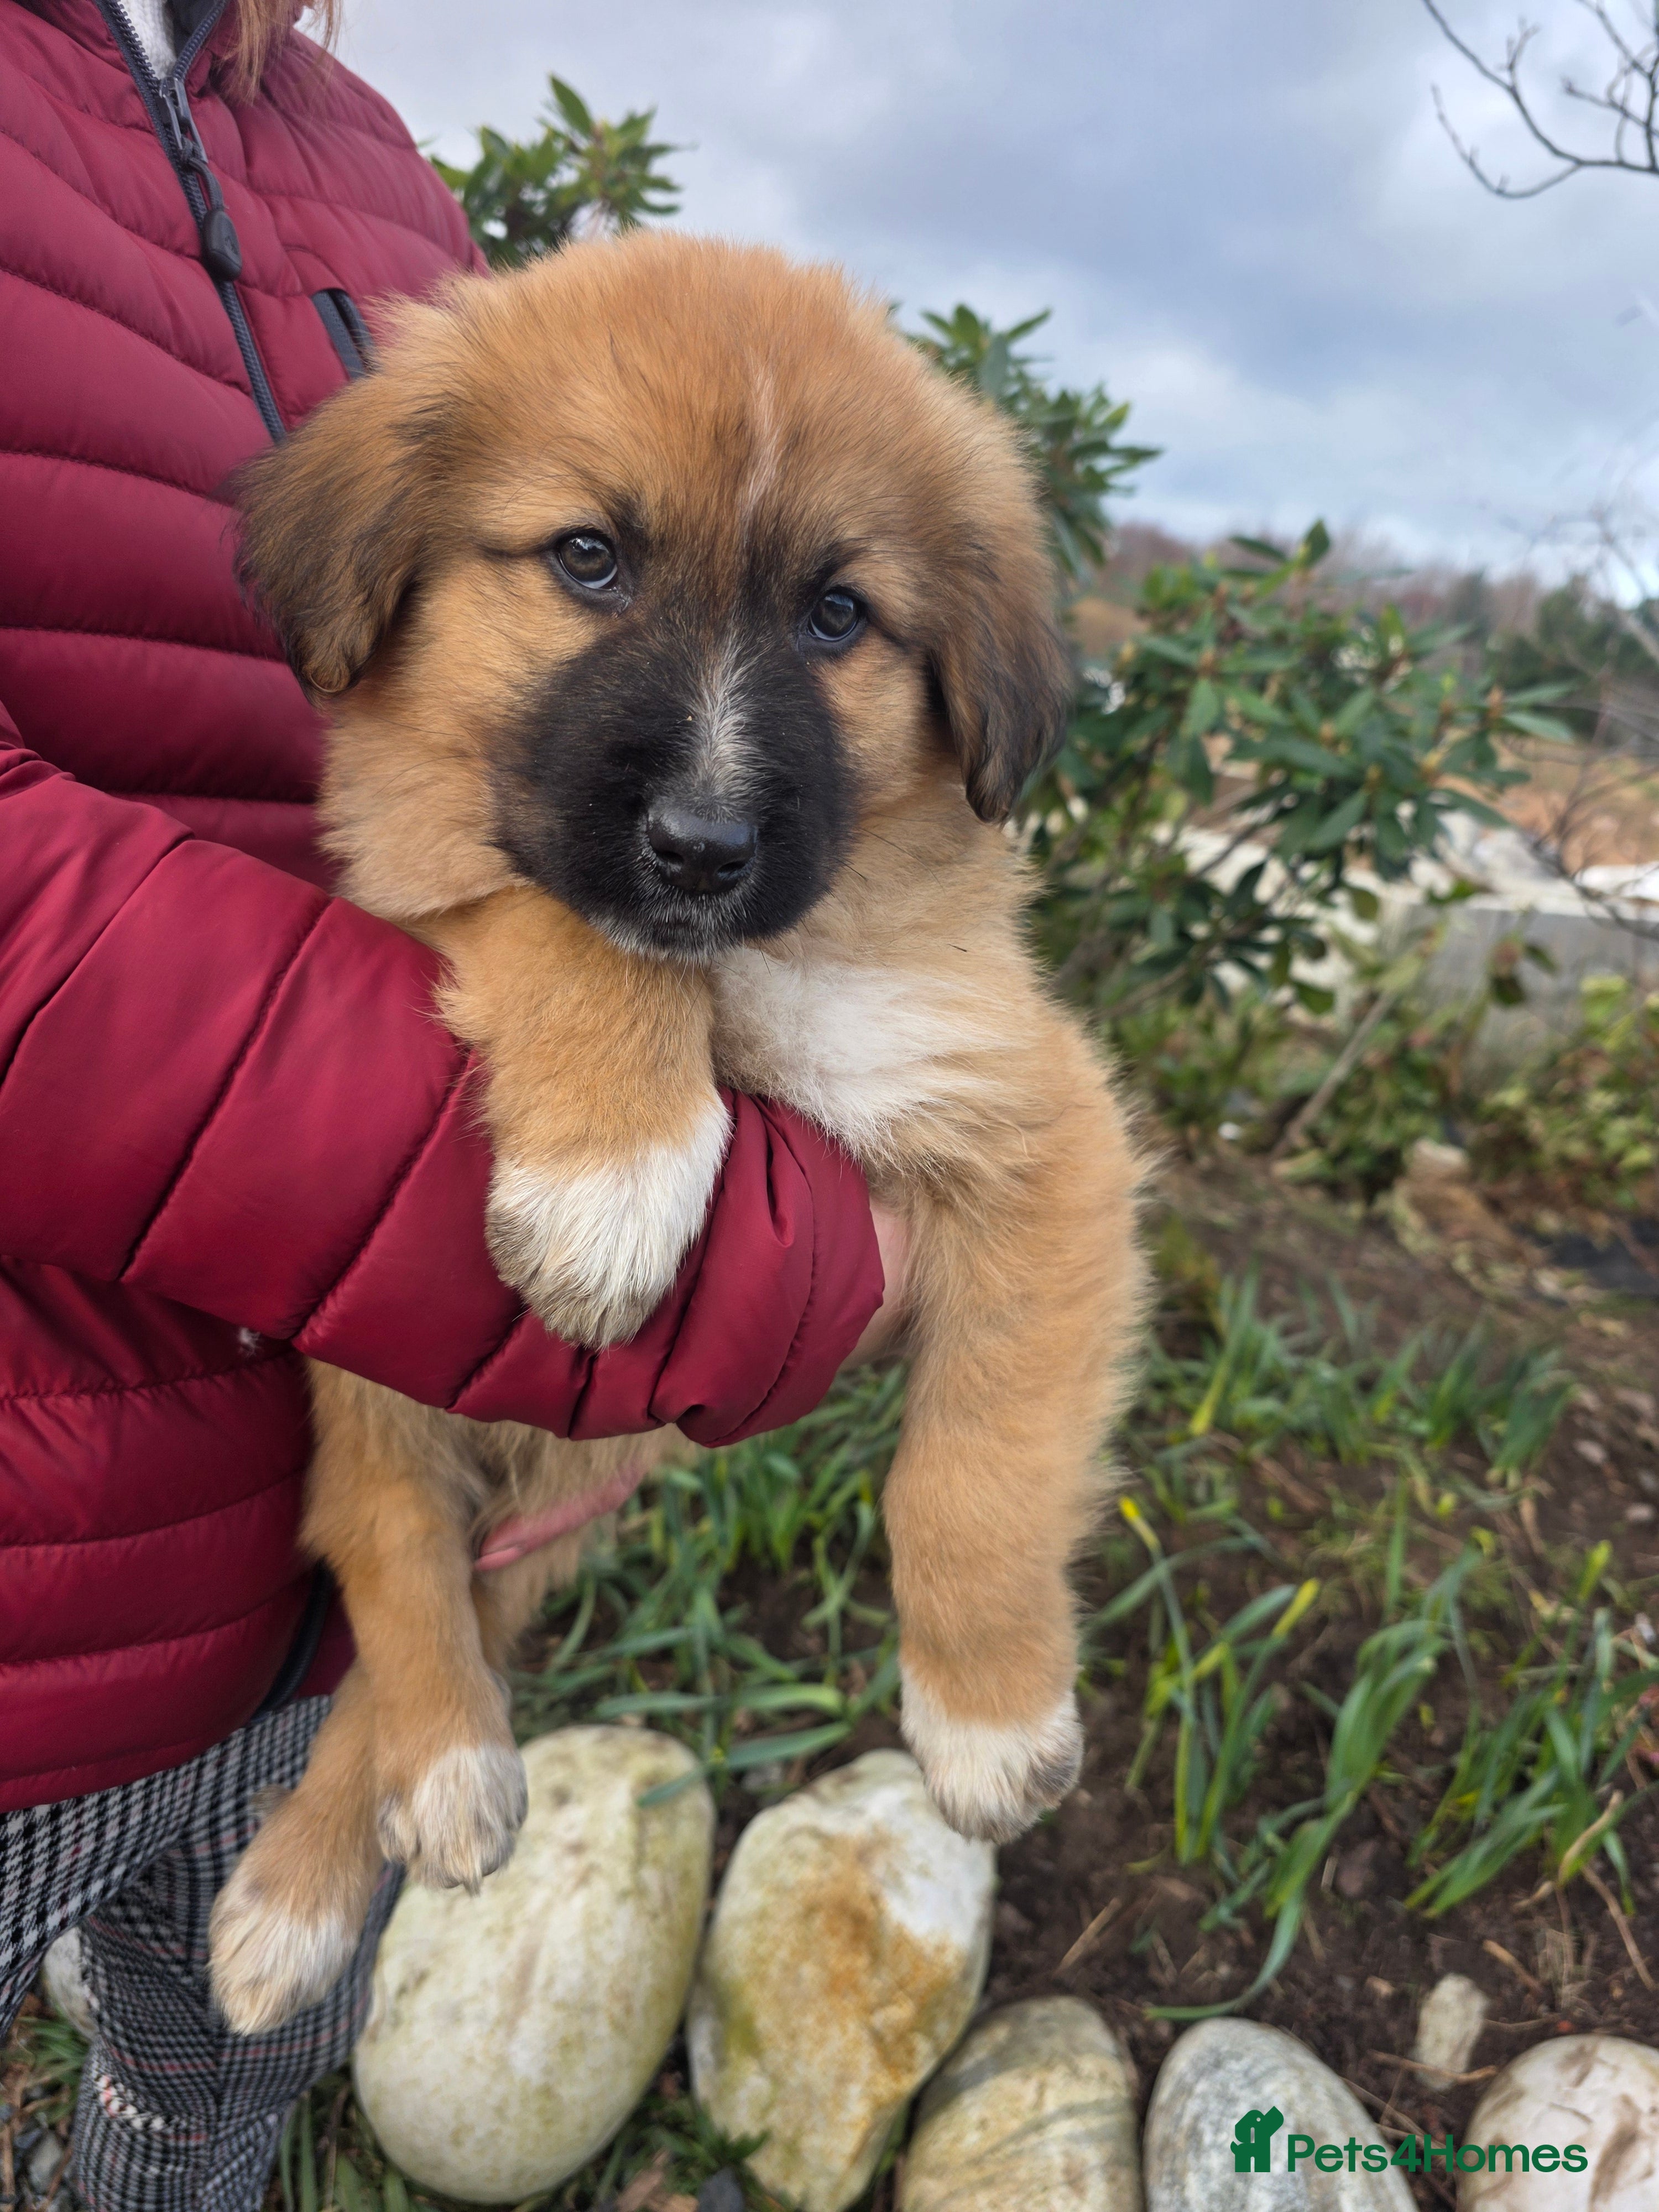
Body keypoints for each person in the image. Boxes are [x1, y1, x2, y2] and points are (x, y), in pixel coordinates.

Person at [0, 4, 902, 2206]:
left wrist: (536, 1403)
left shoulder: (352, 154)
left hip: (334, 1558)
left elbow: (461, 785)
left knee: (218, 2085)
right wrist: (660, 1274)